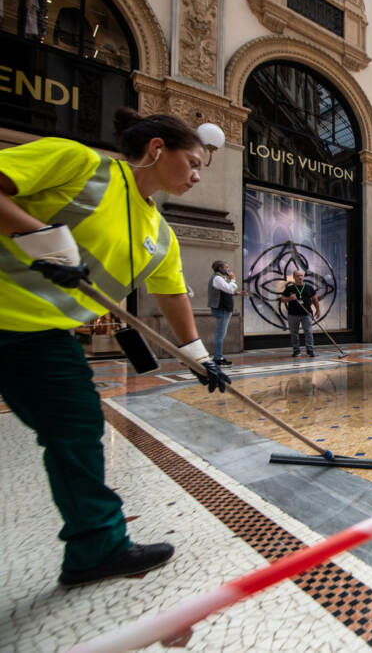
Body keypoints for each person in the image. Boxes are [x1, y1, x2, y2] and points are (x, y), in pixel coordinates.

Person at [0, 108, 231, 586]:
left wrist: (199, 358)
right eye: (192, 163)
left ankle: (96, 547)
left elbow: (172, 294)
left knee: (77, 429)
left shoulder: (160, 234)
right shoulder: (79, 164)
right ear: (156, 149)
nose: (196, 176)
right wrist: (39, 239)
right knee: (76, 430)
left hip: (38, 337)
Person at [208, 260, 245, 366]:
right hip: (222, 309)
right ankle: (218, 358)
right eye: (227, 267)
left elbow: (224, 291)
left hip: (223, 309)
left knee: (220, 334)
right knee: (220, 334)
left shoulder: (220, 278)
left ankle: (218, 356)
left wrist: (236, 293)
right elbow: (228, 289)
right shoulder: (217, 278)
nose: (229, 269)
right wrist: (233, 280)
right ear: (220, 268)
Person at [281, 270, 320, 356]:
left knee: (308, 332)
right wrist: (290, 298)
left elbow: (315, 299)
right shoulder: (290, 288)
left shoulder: (309, 287)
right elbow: (282, 299)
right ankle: (296, 350)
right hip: (293, 314)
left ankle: (310, 350)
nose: (300, 277)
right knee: (294, 333)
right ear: (294, 277)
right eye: (298, 276)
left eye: (301, 275)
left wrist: (318, 310)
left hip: (306, 314)